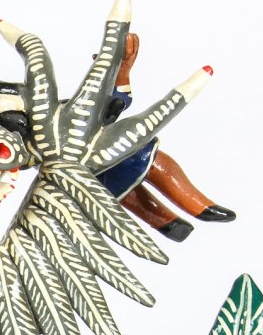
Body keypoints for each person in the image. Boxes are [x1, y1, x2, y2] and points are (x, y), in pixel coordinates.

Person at [98, 33, 236, 241]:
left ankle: (197, 207)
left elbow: (110, 104)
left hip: (112, 149)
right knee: (118, 188)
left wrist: (120, 74)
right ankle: (168, 222)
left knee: (146, 159)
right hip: (80, 175)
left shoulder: (64, 110)